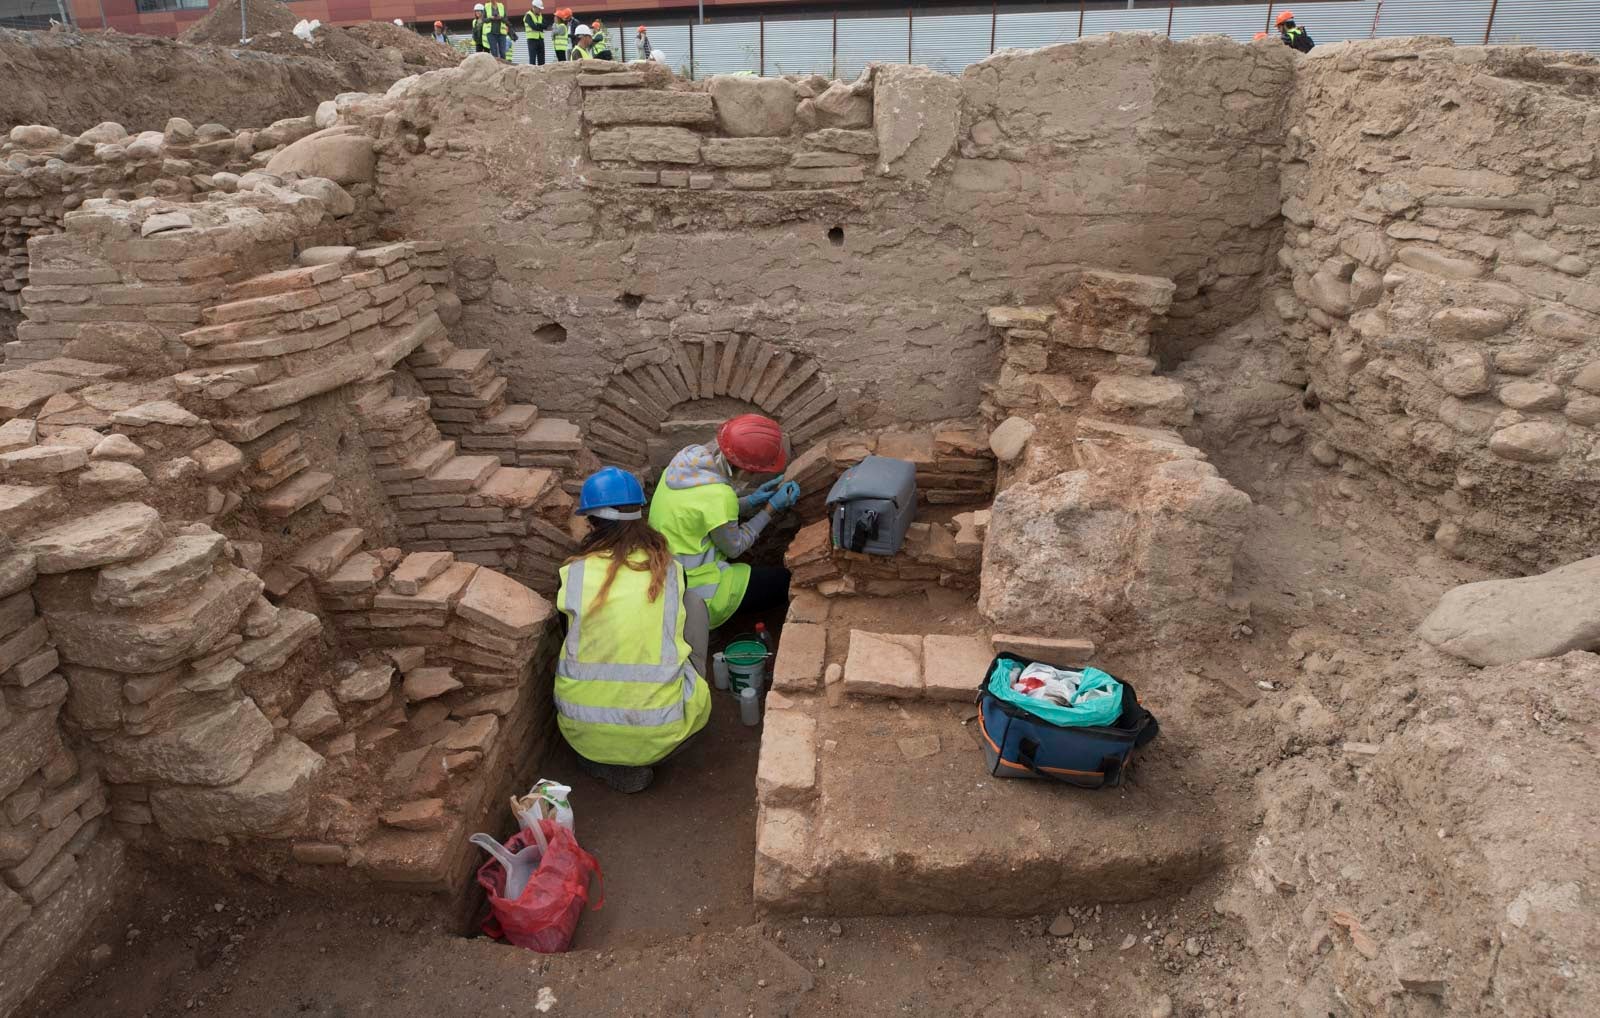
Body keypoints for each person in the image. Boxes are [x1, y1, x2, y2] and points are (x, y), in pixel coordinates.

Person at [555, 468, 712, 794]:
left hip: (580, 730)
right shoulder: (669, 570)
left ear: (592, 522)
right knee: (694, 604)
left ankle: (601, 757)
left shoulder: (573, 574)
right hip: (666, 732)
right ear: (640, 514)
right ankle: (637, 751)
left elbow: (566, 636)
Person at [648, 414, 798, 631]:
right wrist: (770, 509)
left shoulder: (685, 460)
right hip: (695, 590)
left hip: (662, 575)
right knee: (785, 582)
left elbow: (704, 510)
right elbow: (735, 548)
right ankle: (717, 629)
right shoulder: (721, 496)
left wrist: (751, 500)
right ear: (746, 470)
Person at [523, 0, 546, 65]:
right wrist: (541, 27)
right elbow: (533, 26)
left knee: (542, 60)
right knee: (532, 59)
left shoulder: (540, 15)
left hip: (540, 39)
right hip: (532, 40)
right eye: (539, 9)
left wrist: (538, 25)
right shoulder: (528, 15)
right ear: (534, 7)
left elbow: (546, 25)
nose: (540, 10)